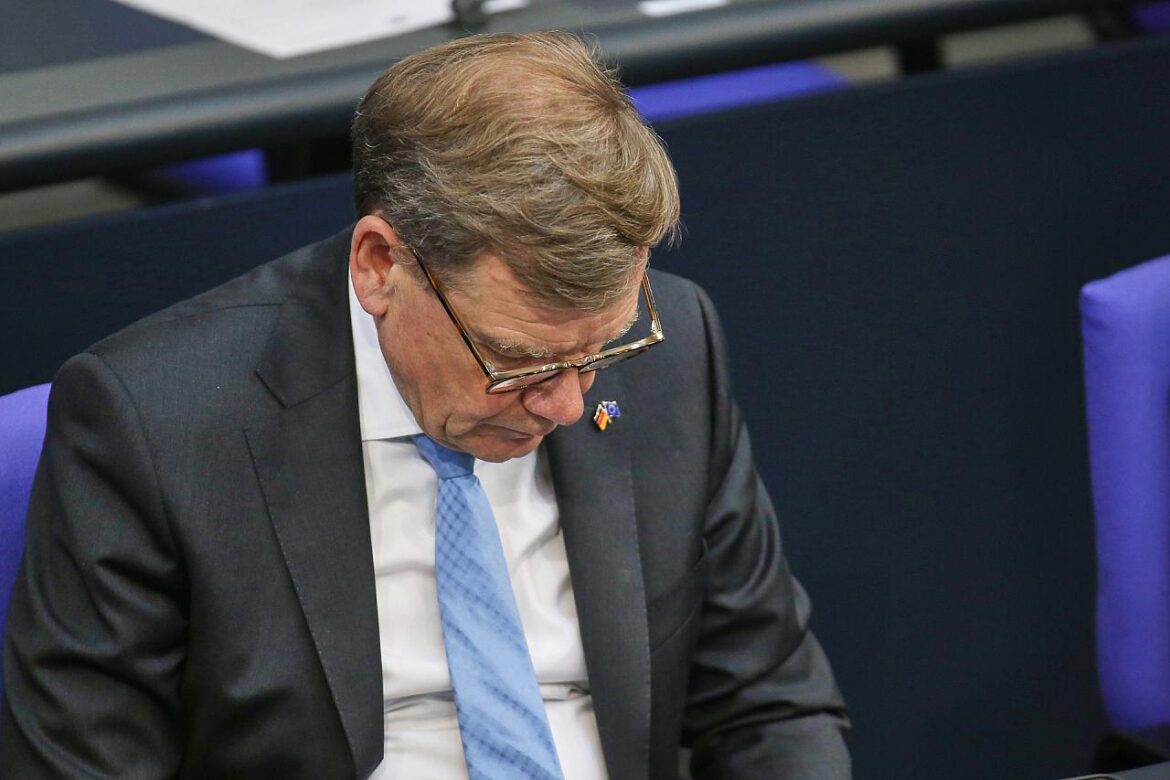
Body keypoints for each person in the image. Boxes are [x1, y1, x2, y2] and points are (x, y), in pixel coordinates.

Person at [0, 31, 849, 779]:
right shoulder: (156, 422)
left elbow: (768, 701)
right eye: (517, 359)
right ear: (380, 266)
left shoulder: (677, 348)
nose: (565, 404)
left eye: (602, 350)